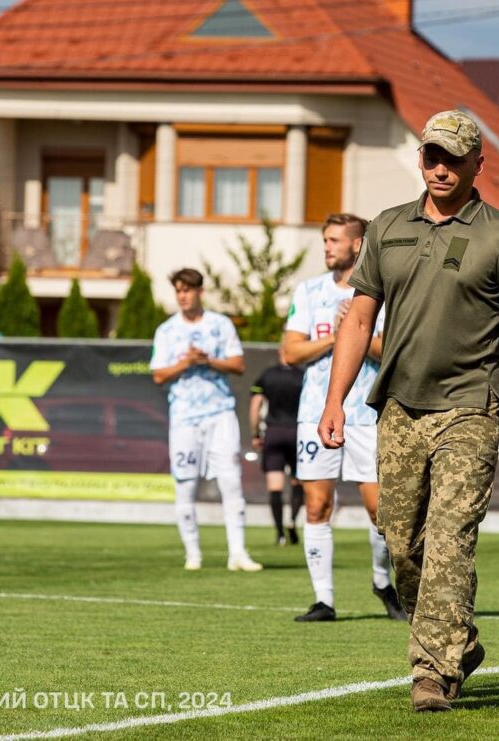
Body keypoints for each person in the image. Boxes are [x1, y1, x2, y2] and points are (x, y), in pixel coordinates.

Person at [319, 109, 499, 713]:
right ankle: (459, 640)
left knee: (450, 540)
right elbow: (360, 319)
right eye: (431, 156)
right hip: (397, 409)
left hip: (470, 410)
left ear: (479, 162)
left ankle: (432, 673)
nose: (440, 167)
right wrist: (333, 400)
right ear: (420, 160)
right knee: (401, 544)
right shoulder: (388, 228)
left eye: (453, 157)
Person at [282, 213, 404, 624]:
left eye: (335, 240)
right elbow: (290, 352)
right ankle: (324, 600)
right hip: (316, 413)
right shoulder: (310, 290)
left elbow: (393, 352)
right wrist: (337, 336)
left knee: (380, 511)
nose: (327, 247)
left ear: (357, 245)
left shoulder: (383, 291)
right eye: (325, 240)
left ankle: (381, 581)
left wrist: (359, 334)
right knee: (317, 505)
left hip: (366, 415)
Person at [151, 268, 261, 572]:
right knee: (184, 484)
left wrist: (207, 360)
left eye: (188, 290)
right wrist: (185, 362)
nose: (183, 296)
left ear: (200, 291)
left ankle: (237, 553)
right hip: (185, 417)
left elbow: (238, 364)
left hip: (220, 414)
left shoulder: (220, 324)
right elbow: (159, 374)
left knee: (231, 481)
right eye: (178, 291)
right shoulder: (167, 330)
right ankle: (193, 553)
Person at [248, 351, 304, 546]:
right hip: (298, 432)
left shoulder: (268, 375)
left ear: (281, 351)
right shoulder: (303, 375)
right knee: (298, 482)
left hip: (274, 433)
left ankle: (280, 533)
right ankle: (292, 520)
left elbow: (255, 406)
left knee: (275, 487)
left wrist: (256, 434)